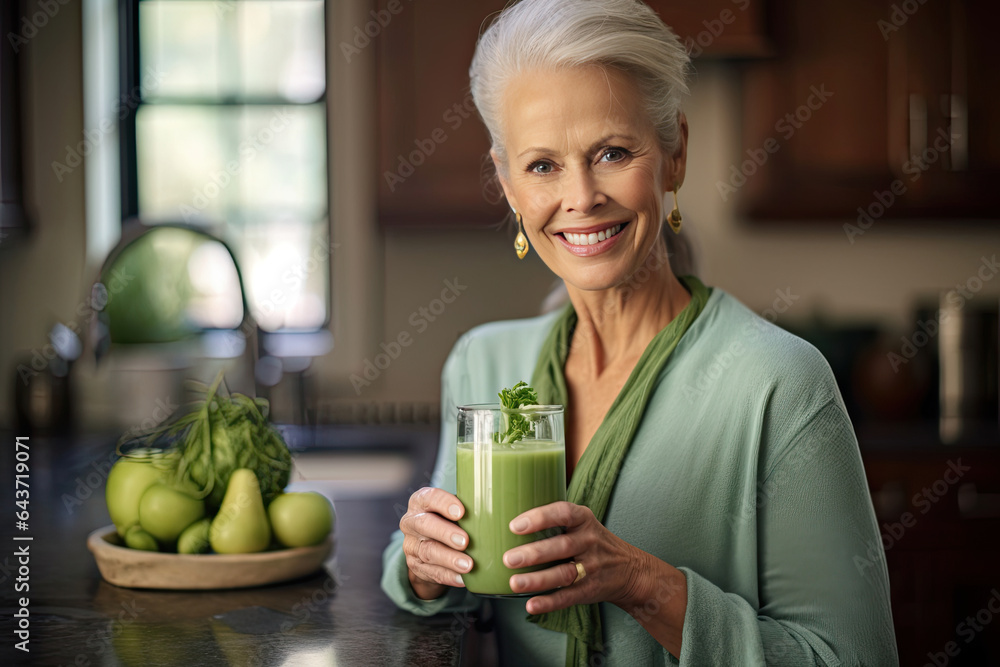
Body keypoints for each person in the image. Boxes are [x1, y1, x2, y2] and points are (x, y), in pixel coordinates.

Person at [382, 0, 899, 664]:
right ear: (507, 184)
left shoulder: (779, 384)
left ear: (675, 154)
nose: (581, 196)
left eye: (613, 152)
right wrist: (424, 562)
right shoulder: (483, 362)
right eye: (542, 165)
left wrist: (641, 582)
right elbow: (450, 576)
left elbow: (853, 658)